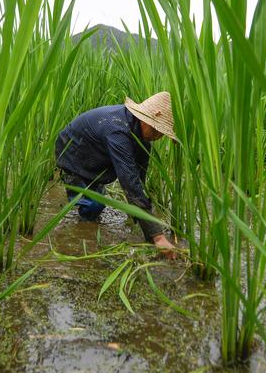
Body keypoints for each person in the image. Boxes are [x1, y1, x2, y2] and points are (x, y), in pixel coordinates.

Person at [55, 91, 177, 254]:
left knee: (97, 192)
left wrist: (140, 217)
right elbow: (129, 182)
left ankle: (93, 193)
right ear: (145, 120)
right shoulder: (117, 132)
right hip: (72, 153)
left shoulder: (142, 139)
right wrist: (158, 236)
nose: (159, 136)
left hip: (94, 155)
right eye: (157, 130)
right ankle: (84, 237)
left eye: (162, 133)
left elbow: (139, 180)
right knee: (94, 205)